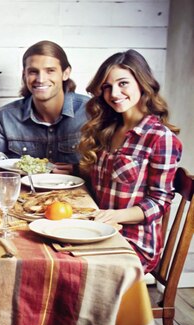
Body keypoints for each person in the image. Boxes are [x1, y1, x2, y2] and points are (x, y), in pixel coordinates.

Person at [78, 50, 182, 273]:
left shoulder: (159, 138)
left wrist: (117, 216)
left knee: (67, 265)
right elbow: (106, 181)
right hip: (100, 228)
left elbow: (160, 201)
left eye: (123, 83)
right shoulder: (108, 128)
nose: (114, 93)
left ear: (142, 83)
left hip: (134, 242)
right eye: (107, 87)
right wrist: (77, 170)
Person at [0, 40, 89, 174]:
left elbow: (106, 167)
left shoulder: (90, 111)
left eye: (50, 71)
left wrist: (80, 170)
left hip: (78, 194)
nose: (40, 79)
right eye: (33, 72)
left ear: (66, 73)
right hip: (24, 193)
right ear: (24, 75)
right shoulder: (5, 117)